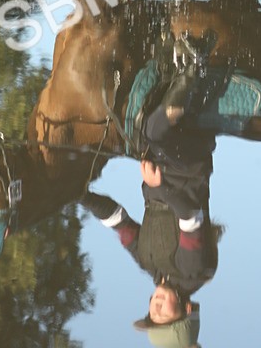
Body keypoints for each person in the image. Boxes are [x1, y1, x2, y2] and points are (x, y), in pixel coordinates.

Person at [81, 70, 218, 347]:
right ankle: (193, 69)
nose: (154, 309)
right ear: (186, 309)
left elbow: (116, 219)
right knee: (153, 131)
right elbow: (190, 216)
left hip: (158, 163)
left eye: (151, 315)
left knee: (123, 124)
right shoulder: (193, 272)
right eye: (164, 316)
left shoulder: (148, 263)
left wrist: (76, 195)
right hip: (186, 167)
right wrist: (160, 184)